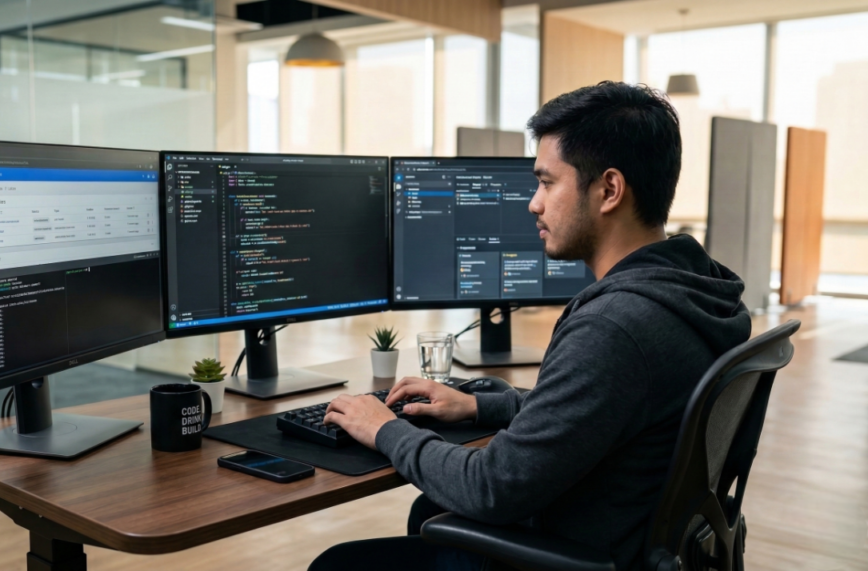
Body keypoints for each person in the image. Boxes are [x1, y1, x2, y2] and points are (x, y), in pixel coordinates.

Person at [309, 81, 752, 571]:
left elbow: (490, 488)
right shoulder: (696, 290)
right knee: (429, 510)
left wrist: (385, 428)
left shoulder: (616, 327)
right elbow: (604, 409)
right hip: (629, 532)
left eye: (546, 182)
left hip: (579, 552)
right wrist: (478, 405)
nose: (533, 204)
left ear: (609, 190)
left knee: (337, 564)